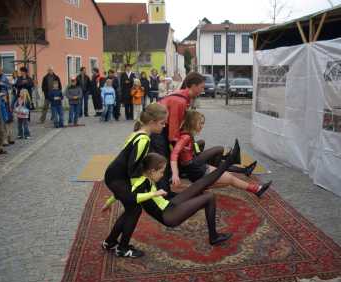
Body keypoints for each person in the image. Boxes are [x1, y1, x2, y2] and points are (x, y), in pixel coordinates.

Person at [102, 150, 241, 252]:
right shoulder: (141, 183)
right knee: (209, 197)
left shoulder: (140, 179)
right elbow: (130, 196)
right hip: (168, 215)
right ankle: (214, 237)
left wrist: (107, 203)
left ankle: (229, 161)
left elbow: (120, 194)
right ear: (151, 171)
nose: (162, 175)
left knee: (199, 185)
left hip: (168, 205)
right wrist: (155, 193)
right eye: (161, 172)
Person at [101, 103, 168, 258]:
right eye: (162, 123)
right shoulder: (144, 139)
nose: (164, 126)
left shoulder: (138, 133)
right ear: (152, 122)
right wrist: (145, 189)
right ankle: (122, 248)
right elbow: (133, 169)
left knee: (132, 208)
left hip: (115, 176)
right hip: (117, 178)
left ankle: (110, 242)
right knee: (135, 209)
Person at [171, 110, 272, 197]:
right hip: (196, 170)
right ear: (192, 123)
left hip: (197, 168)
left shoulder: (185, 134)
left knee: (227, 180)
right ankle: (255, 188)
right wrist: (175, 174)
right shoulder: (186, 137)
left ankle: (200, 187)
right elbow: (174, 154)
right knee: (230, 179)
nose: (202, 126)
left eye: (203, 123)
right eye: (200, 123)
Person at [150, 72, 205, 194]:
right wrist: (181, 150)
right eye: (201, 87)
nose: (203, 90)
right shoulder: (180, 101)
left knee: (165, 160)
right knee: (162, 162)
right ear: (193, 86)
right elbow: (173, 132)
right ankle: (164, 194)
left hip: (161, 128)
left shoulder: (184, 98)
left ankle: (164, 189)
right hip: (157, 130)